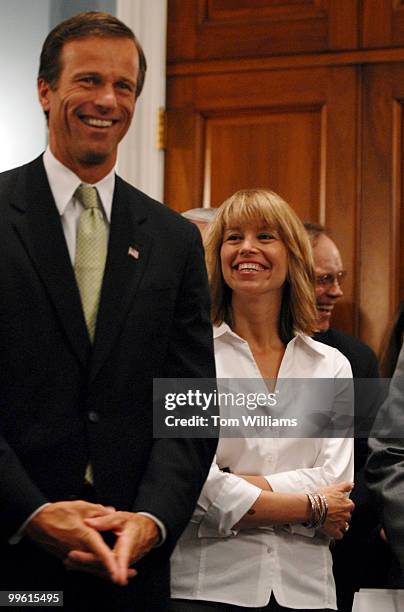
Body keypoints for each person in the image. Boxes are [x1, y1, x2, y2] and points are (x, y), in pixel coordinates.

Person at [0, 11, 216, 612]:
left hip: (131, 568)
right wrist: (32, 512)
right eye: (88, 80)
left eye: (124, 87)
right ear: (45, 90)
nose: (107, 100)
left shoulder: (173, 240)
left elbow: (191, 400)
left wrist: (153, 518)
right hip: (15, 561)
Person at [170, 189, 354, 611]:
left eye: (266, 236)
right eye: (233, 237)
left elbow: (337, 481)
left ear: (292, 256)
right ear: (218, 255)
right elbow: (191, 485)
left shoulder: (333, 366)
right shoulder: (186, 359)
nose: (247, 247)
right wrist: (311, 508)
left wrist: (234, 486)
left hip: (307, 592)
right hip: (206, 588)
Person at [304, 222, 390, 611]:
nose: (336, 291)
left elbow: (373, 461)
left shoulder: (357, 359)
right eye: (324, 279)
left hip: (342, 552)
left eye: (339, 278)